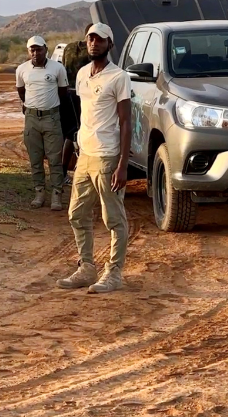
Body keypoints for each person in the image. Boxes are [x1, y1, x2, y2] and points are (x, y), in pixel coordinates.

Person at [57, 22, 132, 294]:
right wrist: (77, 144)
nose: (94, 43)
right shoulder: (81, 74)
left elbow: (126, 122)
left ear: (110, 44)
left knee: (113, 218)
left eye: (100, 39)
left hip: (107, 156)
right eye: (90, 38)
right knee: (77, 213)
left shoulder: (119, 77)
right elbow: (83, 112)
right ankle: (87, 268)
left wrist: (122, 165)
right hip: (85, 155)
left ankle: (114, 273)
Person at [16, 35, 69, 211]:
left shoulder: (57, 68)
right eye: (32, 50)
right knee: (35, 159)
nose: (35, 53)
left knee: (55, 159)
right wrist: (29, 105)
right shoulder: (22, 69)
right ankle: (39, 193)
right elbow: (21, 91)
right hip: (31, 119)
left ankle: (56, 194)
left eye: (39, 49)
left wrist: (50, 106)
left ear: (45, 49)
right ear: (28, 51)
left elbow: (63, 92)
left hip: (51, 118)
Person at [59, 24, 93, 183]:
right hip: (82, 95)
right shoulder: (91, 52)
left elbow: (63, 67)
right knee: (80, 132)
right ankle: (80, 171)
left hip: (65, 94)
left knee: (68, 134)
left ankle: (62, 172)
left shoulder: (69, 47)